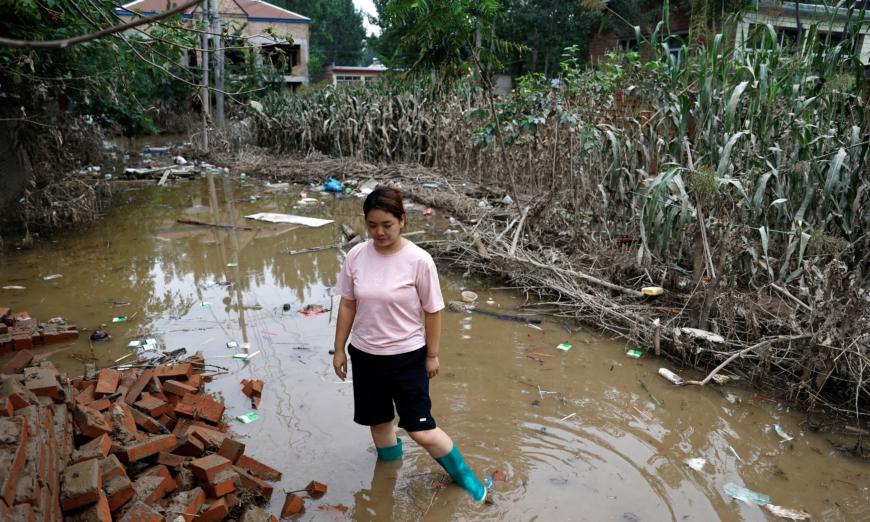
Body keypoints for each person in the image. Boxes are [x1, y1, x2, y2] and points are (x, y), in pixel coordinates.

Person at [332, 186, 488, 502]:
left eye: (386, 224)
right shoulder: (356, 256)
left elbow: (433, 311)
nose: (379, 232)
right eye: (372, 225)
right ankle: (387, 476)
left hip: (407, 358)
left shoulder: (419, 260)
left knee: (421, 429)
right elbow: (348, 304)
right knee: (377, 422)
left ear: (402, 220)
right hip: (365, 355)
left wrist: (432, 354)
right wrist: (339, 349)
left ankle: (468, 480)